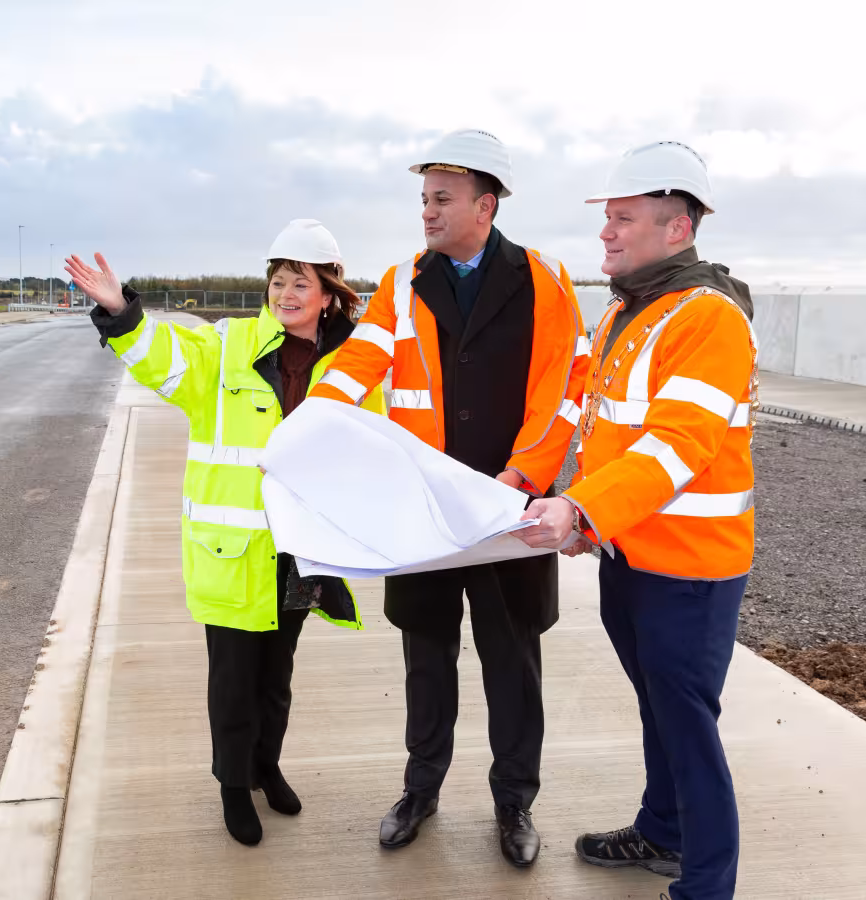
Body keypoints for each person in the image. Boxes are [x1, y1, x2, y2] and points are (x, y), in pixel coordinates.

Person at [306, 129, 589, 867]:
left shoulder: (545, 280)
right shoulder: (403, 282)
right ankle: (421, 790)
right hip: (425, 514)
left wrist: (522, 478)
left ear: (484, 205)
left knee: (512, 665)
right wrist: (319, 414)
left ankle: (514, 804)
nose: (426, 211)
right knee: (425, 660)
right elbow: (362, 359)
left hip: (508, 511)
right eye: (423, 199)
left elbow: (566, 389)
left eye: (441, 199)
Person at [65, 219, 386, 846]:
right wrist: (122, 313)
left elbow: (372, 446)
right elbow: (167, 361)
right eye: (277, 281)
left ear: (328, 293)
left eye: (301, 283)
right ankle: (233, 786)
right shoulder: (229, 345)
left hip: (300, 555)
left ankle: (267, 767)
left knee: (277, 675)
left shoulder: (352, 362)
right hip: (234, 549)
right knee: (234, 679)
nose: (285, 293)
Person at [514, 141, 758, 900]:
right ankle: (663, 832)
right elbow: (608, 433)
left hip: (689, 569)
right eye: (608, 220)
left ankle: (705, 886)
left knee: (688, 730)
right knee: (660, 711)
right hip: (633, 556)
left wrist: (582, 506)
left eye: (623, 220)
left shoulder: (708, 318)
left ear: (677, 227)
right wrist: (589, 518)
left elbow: (677, 444)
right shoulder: (630, 310)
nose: (606, 234)